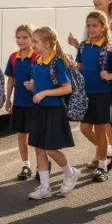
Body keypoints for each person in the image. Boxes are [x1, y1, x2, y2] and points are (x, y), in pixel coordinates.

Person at [68, 0, 112, 166]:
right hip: (91, 82)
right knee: (92, 125)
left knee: (105, 123)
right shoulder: (90, 22)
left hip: (110, 77)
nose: (96, 1)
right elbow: (85, 51)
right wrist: (74, 46)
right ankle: (107, 150)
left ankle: (105, 154)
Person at [24, 26, 79, 199]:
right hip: (40, 110)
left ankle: (70, 173)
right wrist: (34, 88)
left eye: (35, 41)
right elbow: (41, 85)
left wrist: (45, 93)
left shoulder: (56, 63)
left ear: (47, 44)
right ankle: (45, 187)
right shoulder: (37, 62)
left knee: (51, 149)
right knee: (39, 149)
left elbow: (67, 88)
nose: (32, 44)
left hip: (54, 111)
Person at [74, 11, 112, 183]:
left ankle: (102, 167)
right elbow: (80, 66)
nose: (90, 29)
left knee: (101, 129)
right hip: (86, 94)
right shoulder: (83, 46)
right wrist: (72, 68)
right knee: (84, 128)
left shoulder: (108, 47)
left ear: (103, 27)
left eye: (94, 25)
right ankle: (109, 149)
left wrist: (110, 77)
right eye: (88, 25)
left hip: (104, 94)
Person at [4, 24, 38, 180]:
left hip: (35, 103)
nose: (21, 40)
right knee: (21, 135)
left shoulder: (37, 57)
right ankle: (25, 165)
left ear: (32, 39)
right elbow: (11, 79)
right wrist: (8, 98)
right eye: (18, 37)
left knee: (36, 136)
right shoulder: (13, 57)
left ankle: (42, 166)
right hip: (19, 102)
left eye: (25, 37)